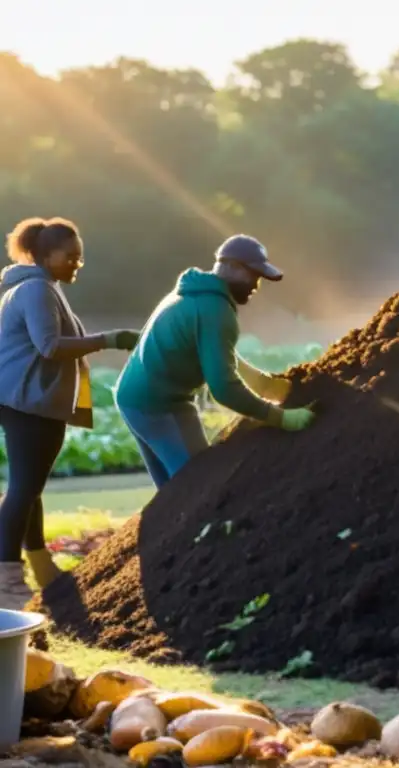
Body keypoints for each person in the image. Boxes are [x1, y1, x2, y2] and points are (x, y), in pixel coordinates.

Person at [0, 217, 139, 608]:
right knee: (23, 490)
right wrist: (110, 339)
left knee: (29, 488)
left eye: (80, 257)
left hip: (23, 399)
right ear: (45, 256)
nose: (77, 264)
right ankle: (7, 579)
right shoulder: (36, 290)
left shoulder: (36, 287)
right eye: (71, 257)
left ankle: (41, 569)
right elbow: (49, 346)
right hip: (30, 401)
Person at [114, 234, 315, 489]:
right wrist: (282, 419)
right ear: (229, 266)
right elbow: (223, 388)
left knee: (171, 499)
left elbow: (217, 353)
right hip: (160, 406)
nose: (255, 285)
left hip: (133, 398)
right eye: (252, 274)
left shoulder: (191, 293)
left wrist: (264, 385)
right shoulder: (215, 310)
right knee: (199, 488)